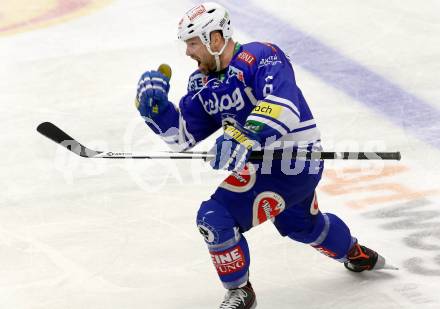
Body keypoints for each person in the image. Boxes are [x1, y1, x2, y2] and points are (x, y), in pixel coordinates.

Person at [135, 2, 390, 308]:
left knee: (214, 217)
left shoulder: (261, 56)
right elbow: (182, 138)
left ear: (214, 39)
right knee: (303, 227)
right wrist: (157, 110)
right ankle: (355, 254)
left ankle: (241, 291)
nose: (188, 52)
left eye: (192, 44)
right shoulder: (203, 82)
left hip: (293, 162)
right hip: (266, 167)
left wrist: (243, 136)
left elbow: (283, 104)